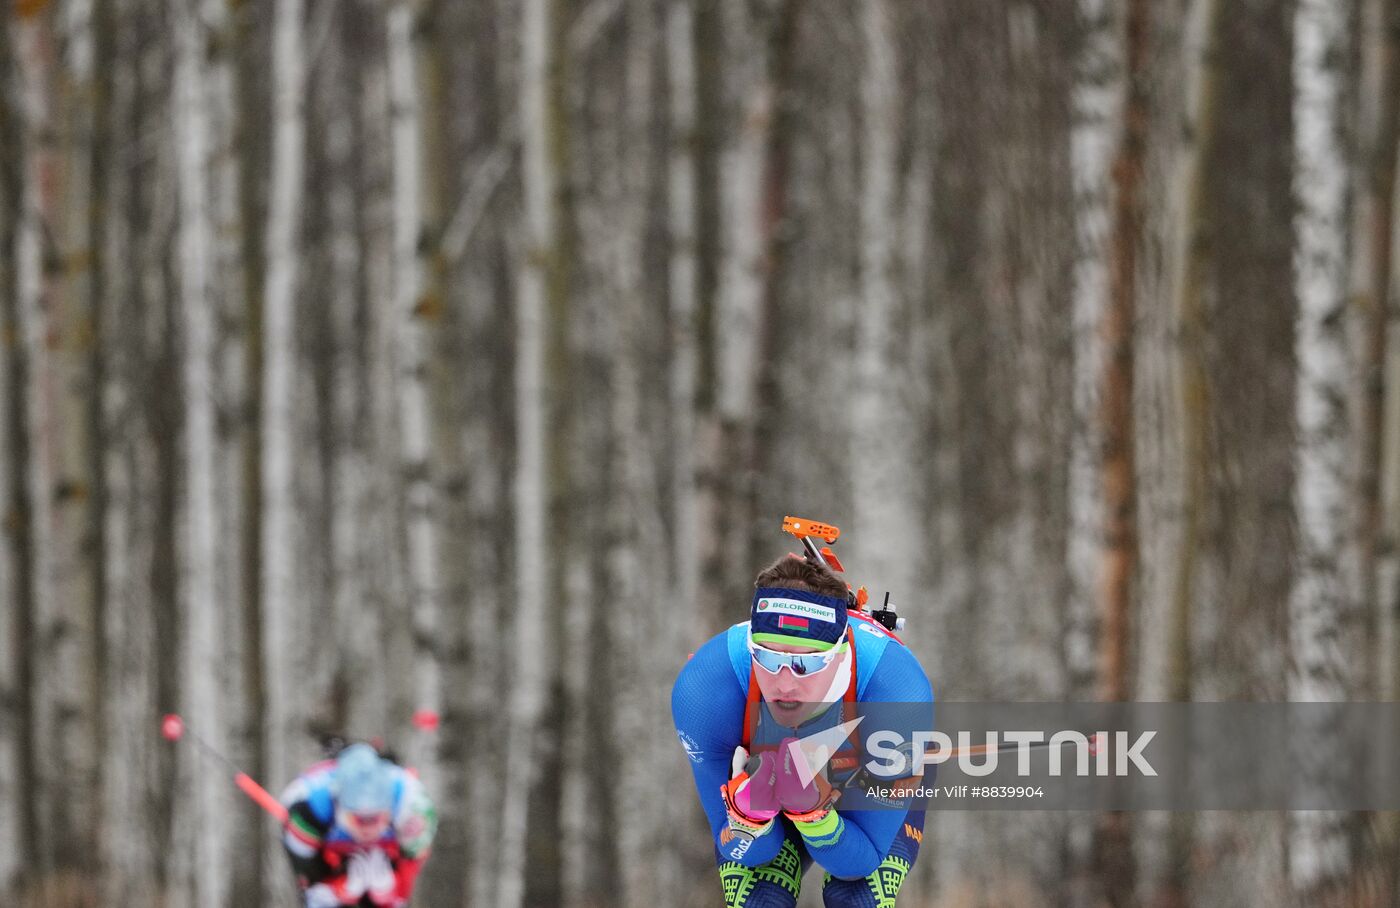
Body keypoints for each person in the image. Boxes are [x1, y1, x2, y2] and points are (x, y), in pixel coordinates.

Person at [672, 554, 934, 907]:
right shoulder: (704, 690)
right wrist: (749, 816)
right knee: (760, 901)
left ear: (840, 655)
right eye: (766, 656)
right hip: (778, 788)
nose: (784, 682)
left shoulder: (898, 692)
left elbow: (859, 864)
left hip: (865, 786)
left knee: (855, 899)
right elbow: (742, 851)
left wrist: (814, 817)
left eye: (805, 663)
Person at [279, 742, 438, 908]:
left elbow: (411, 865)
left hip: (391, 853)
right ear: (341, 808)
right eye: (360, 819)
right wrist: (336, 890)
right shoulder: (309, 807)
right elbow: (308, 879)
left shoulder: (413, 807)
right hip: (326, 853)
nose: (368, 829)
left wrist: (393, 891)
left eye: (376, 818)